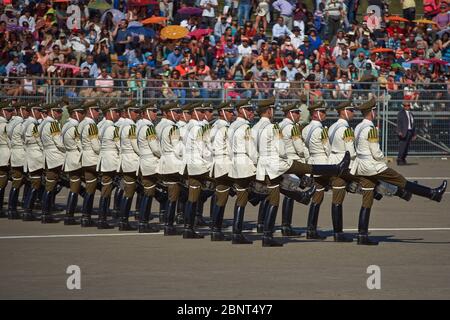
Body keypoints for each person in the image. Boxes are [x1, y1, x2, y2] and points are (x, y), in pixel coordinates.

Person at [254, 98, 350, 246]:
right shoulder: (281, 127)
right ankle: (276, 231)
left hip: (264, 163)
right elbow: (294, 148)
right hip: (285, 161)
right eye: (296, 112)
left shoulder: (259, 127)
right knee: (288, 190)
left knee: (277, 192)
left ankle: (266, 225)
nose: (299, 115)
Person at [351, 98, 447, 245]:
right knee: (403, 182)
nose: (376, 112)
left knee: (367, 199)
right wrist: (383, 159)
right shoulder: (370, 129)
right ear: (371, 112)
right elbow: (375, 152)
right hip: (372, 165)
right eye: (375, 110)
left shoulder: (358, 127)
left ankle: (362, 235)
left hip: (361, 166)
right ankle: (433, 194)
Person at [156, 102, 184, 236]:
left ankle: (168, 222)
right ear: (168, 113)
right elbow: (178, 149)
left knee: (170, 194)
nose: (179, 114)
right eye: (176, 112)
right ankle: (169, 225)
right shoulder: (173, 127)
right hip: (173, 163)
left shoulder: (159, 125)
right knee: (173, 195)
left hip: (164, 161)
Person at [39, 100, 67, 223]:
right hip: (55, 157)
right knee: (51, 186)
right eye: (57, 111)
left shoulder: (42, 123)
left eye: (60, 111)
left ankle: (46, 212)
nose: (60, 113)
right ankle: (46, 213)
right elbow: (59, 143)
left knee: (50, 185)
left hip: (47, 155)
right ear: (51, 112)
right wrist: (69, 149)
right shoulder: (54, 124)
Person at [136, 101, 161, 233]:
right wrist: (165, 155)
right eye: (153, 111)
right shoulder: (149, 127)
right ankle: (144, 223)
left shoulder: (139, 125)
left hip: (143, 161)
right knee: (150, 193)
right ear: (146, 112)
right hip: (151, 163)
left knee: (147, 192)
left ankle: (142, 221)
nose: (155, 114)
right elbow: (156, 148)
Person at [96, 102, 121, 229]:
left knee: (106, 188)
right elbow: (119, 146)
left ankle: (102, 217)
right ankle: (103, 218)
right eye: (115, 112)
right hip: (111, 160)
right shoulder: (113, 128)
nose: (118, 114)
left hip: (103, 158)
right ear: (109, 113)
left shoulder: (100, 125)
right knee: (107, 190)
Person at [117, 101, 141, 231]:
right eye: (135, 112)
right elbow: (135, 145)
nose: (137, 114)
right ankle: (124, 221)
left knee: (127, 190)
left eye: (138, 112)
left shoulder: (121, 125)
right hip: (131, 160)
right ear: (128, 112)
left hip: (124, 159)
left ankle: (122, 219)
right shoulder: (131, 126)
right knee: (130, 192)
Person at [78, 100, 101, 227]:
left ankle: (85, 216)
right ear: (90, 111)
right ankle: (88, 216)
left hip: (85, 157)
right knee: (101, 187)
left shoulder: (81, 124)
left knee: (89, 188)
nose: (98, 113)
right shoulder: (91, 125)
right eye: (96, 110)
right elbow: (96, 146)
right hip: (92, 158)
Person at [61, 102, 85, 226]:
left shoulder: (66, 125)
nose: (82, 115)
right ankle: (69, 215)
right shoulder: (75, 127)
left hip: (69, 156)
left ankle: (70, 214)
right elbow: (80, 144)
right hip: (76, 158)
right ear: (74, 114)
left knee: (74, 186)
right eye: (80, 113)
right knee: (75, 188)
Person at [5, 102, 27, 219]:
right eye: (26, 111)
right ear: (20, 111)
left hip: (13, 152)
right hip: (21, 154)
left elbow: (8, 138)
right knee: (18, 182)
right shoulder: (22, 124)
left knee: (17, 181)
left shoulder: (11, 123)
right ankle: (12, 209)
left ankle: (12, 208)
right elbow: (26, 140)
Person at [0, 102, 14, 218]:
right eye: (8, 111)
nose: (11, 113)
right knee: (2, 183)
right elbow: (9, 141)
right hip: (4, 154)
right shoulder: (4, 125)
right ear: (2, 111)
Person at [396, 98, 416, 165]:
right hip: (404, 132)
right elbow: (399, 123)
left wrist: (414, 134)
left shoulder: (411, 114)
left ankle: (403, 159)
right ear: (403, 106)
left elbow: (413, 124)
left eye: (408, 105)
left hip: (410, 132)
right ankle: (399, 159)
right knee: (402, 147)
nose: (407, 107)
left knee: (407, 147)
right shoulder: (400, 113)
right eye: (406, 105)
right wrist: (399, 131)